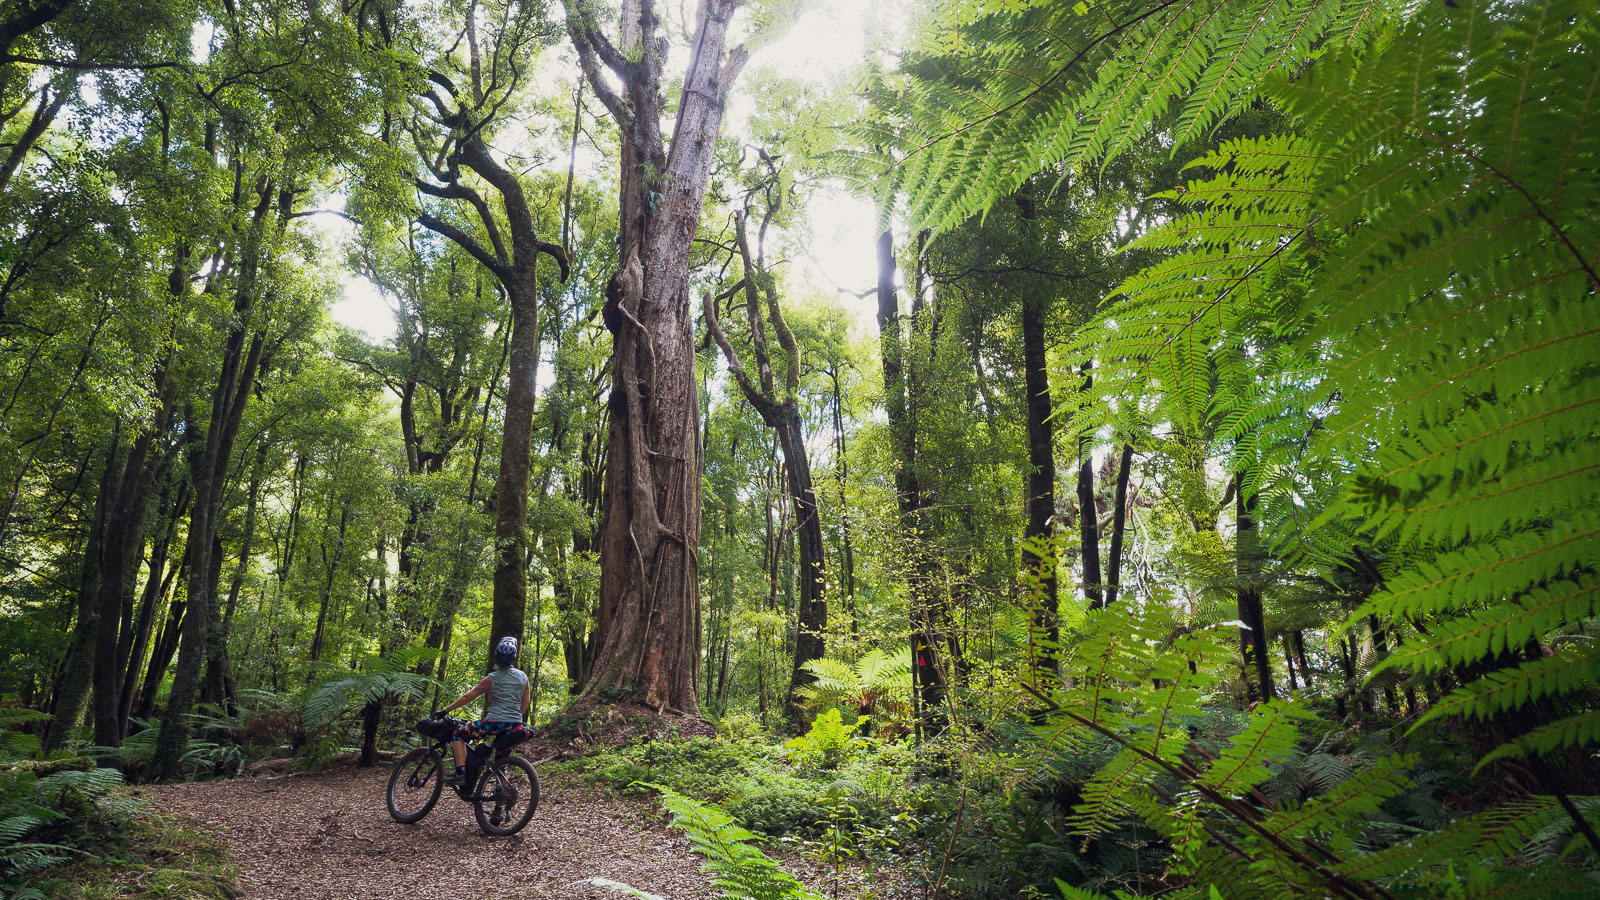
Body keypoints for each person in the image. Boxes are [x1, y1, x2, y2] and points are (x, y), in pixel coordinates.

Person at [434, 636, 530, 786]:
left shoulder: (492, 678)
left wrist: (446, 710)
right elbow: (525, 702)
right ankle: (503, 798)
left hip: (493, 723)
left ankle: (460, 773)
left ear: (497, 657)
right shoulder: (523, 677)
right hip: (515, 726)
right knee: (501, 763)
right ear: (513, 658)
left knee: (458, 734)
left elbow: (467, 697)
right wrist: (515, 717)